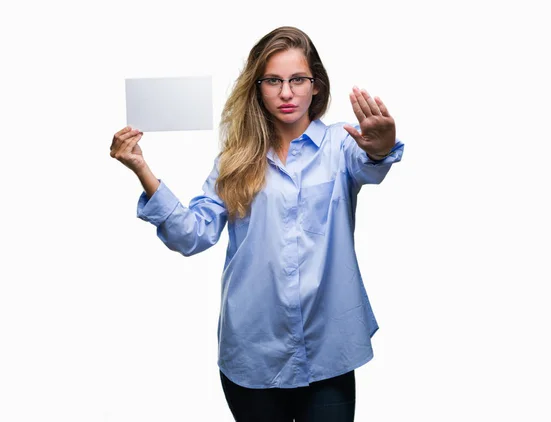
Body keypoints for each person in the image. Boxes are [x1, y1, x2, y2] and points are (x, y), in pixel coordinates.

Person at [110, 26, 404, 422]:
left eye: (298, 79)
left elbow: (372, 164)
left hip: (328, 347)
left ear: (315, 85)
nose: (287, 93)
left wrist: (381, 146)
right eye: (274, 81)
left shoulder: (342, 145)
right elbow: (191, 235)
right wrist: (142, 169)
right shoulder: (235, 160)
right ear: (258, 87)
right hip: (254, 352)